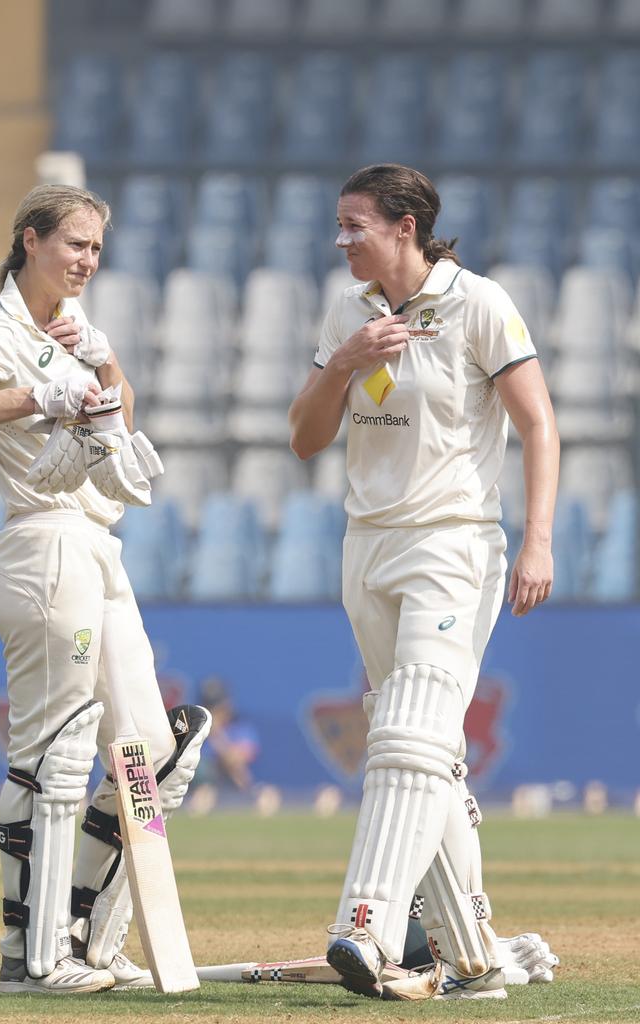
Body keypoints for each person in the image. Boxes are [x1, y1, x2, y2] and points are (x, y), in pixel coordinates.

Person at [0, 184, 210, 995]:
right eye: (75, 244)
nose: (87, 261)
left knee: (151, 751)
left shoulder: (73, 330)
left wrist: (102, 358)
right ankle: (34, 958)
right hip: (41, 544)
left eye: (96, 250)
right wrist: (35, 394)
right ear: (31, 241)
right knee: (58, 749)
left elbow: (117, 413)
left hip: (97, 546)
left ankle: (89, 934)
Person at [288, 164, 559, 1001]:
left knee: (406, 736)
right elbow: (304, 438)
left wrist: (537, 540)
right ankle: (475, 960)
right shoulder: (348, 311)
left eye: (355, 225)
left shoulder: (478, 302)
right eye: (338, 224)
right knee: (428, 756)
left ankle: (364, 927)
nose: (342, 240)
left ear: (405, 227)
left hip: (454, 544)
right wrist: (343, 362)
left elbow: (539, 424)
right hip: (366, 546)